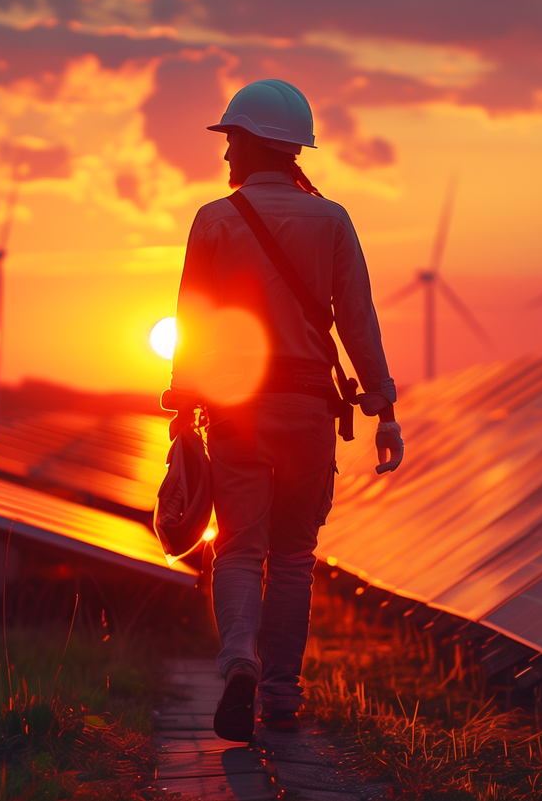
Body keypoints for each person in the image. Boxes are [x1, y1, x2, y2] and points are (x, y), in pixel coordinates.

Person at [163, 79, 404, 743]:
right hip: (308, 408)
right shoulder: (333, 220)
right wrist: (383, 407)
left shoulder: (213, 219)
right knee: (295, 555)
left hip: (238, 409)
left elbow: (194, 324)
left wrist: (184, 409)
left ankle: (239, 661)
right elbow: (358, 322)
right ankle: (280, 694)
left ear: (251, 142)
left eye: (230, 140)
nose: (225, 157)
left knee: (239, 548)